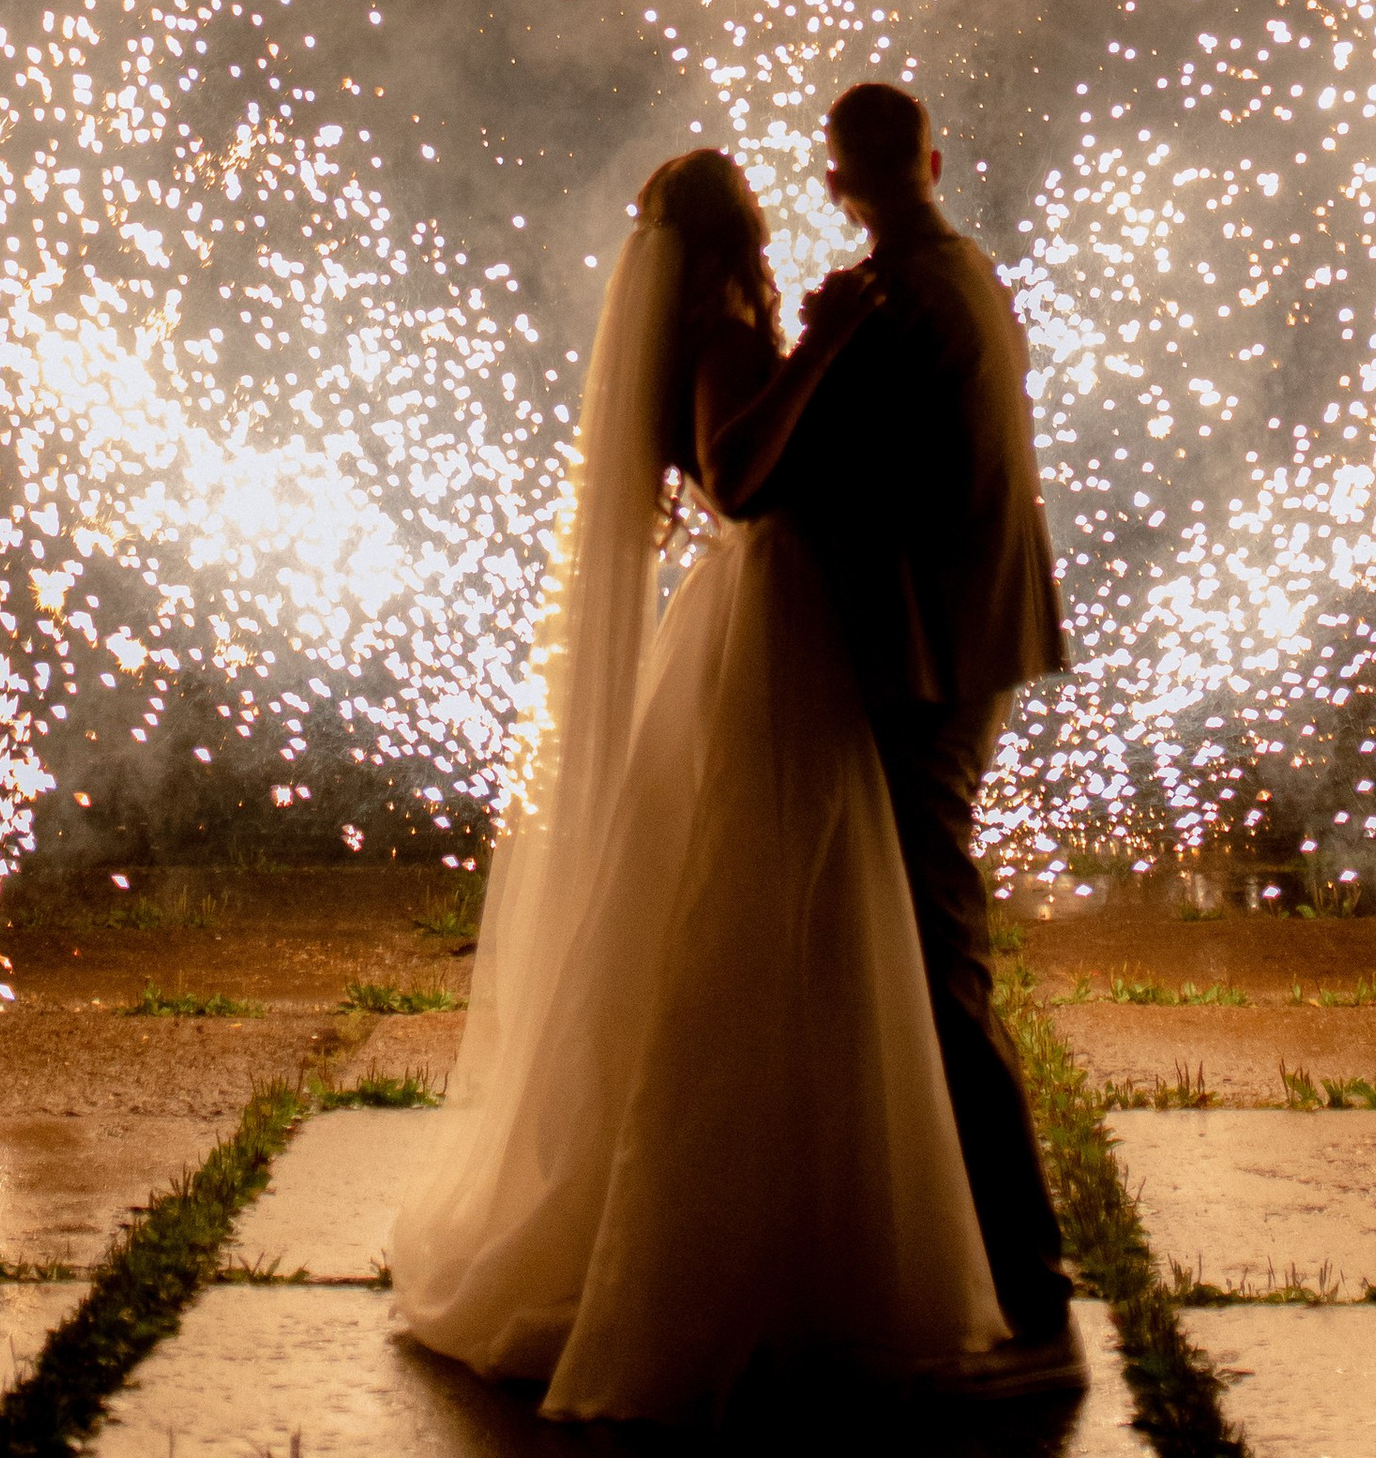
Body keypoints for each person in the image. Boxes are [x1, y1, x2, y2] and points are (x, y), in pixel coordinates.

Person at [386, 146, 1008, 1423]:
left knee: (770, 899)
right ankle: (765, 1250)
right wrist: (822, 347)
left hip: (762, 619)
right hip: (767, 626)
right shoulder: (724, 332)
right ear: (735, 234)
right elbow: (737, 474)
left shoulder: (712, 325)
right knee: (766, 894)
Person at [759, 79, 1078, 1379]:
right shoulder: (969, 272)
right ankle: (938, 1231)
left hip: (930, 652)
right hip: (976, 635)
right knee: (919, 935)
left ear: (837, 184)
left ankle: (1025, 1270)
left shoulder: (891, 306)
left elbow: (788, 473)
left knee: (943, 960)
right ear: (933, 162)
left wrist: (801, 357)